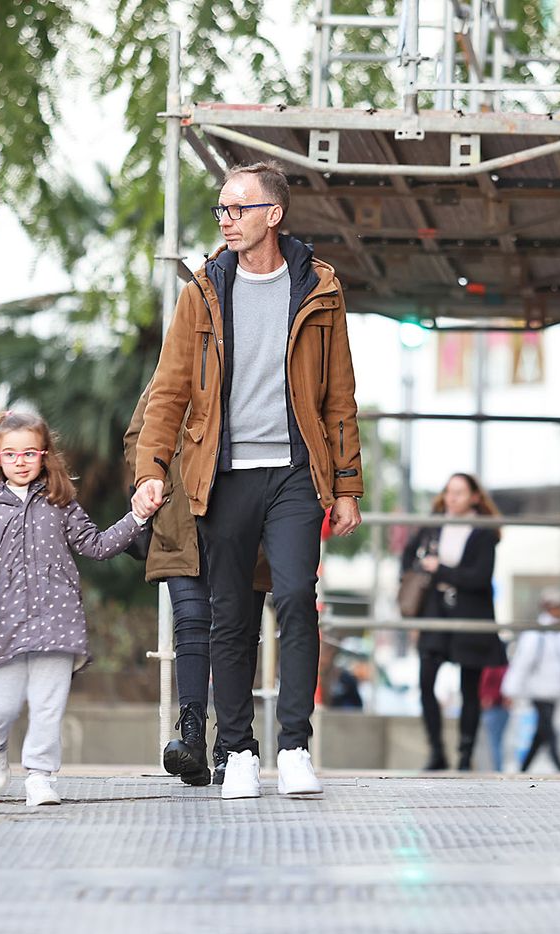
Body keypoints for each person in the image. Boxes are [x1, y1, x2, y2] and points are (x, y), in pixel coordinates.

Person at [131, 159, 364, 801]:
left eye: (238, 209)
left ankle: (293, 745)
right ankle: (236, 749)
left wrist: (346, 486)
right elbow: (170, 391)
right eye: (221, 210)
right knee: (230, 614)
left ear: (274, 215)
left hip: (294, 472)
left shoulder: (318, 286)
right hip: (223, 474)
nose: (226, 220)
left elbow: (338, 393)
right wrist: (151, 470)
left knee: (294, 597)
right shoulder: (202, 290)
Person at [0, 412, 158, 806]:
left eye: (29, 452)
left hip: (58, 621)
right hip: (7, 626)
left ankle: (39, 775)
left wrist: (137, 518)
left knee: (49, 704)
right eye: (11, 453)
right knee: (2, 705)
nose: (20, 461)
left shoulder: (60, 504)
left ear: (44, 455)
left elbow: (96, 545)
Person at [122, 387, 266, 787]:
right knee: (190, 622)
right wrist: (158, 487)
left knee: (238, 630)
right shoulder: (177, 359)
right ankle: (192, 737)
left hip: (244, 516)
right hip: (179, 520)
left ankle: (230, 743)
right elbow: (139, 433)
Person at [401, 473, 508, 771]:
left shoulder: (484, 531)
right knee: (425, 682)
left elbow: (479, 577)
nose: (453, 498)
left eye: (460, 492)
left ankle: (464, 755)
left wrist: (440, 570)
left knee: (470, 687)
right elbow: (407, 559)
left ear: (475, 496)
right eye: (449, 491)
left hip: (471, 614)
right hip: (435, 612)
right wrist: (421, 570)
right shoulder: (432, 525)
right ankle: (436, 751)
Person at [501, 589, 560, 773]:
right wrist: (510, 690)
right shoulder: (536, 633)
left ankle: (523, 768)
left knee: (541, 732)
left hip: (554, 690)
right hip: (538, 690)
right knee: (548, 729)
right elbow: (522, 663)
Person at [478, 664, 509, 772]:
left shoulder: (492, 667)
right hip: (502, 707)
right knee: (497, 741)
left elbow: (486, 683)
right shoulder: (505, 667)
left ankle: (496, 769)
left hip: (494, 707)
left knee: (493, 742)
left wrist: (488, 697)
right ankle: (497, 768)